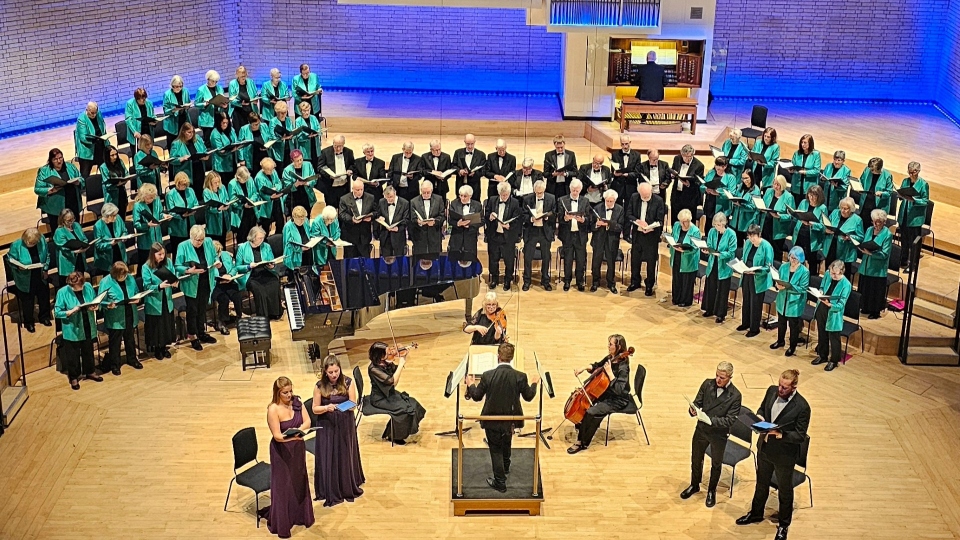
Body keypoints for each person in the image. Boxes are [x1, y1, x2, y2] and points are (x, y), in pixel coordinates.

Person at [737, 369, 811, 540]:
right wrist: (760, 417)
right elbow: (763, 408)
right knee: (761, 483)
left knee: (784, 491)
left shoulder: (802, 407)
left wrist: (781, 434)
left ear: (794, 387)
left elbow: (800, 435)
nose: (780, 389)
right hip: (765, 447)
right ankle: (756, 513)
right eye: (779, 385)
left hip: (784, 455)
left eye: (785, 388)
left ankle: (784, 525)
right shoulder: (771, 390)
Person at [464, 342, 538, 492]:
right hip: (510, 420)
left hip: (491, 420)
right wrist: (534, 383)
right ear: (512, 358)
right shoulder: (520, 376)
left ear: (498, 357)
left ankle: (500, 482)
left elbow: (477, 397)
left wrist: (471, 384)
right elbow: (529, 396)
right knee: (507, 441)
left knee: (496, 449)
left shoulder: (487, 375)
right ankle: (505, 467)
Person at [681, 361, 742, 508]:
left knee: (716, 464)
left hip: (718, 434)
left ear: (730, 377)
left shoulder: (735, 395)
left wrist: (710, 420)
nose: (718, 380)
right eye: (717, 375)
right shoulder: (707, 384)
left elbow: (729, 420)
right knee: (696, 459)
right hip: (701, 429)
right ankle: (695, 484)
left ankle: (711, 491)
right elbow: (697, 402)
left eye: (722, 377)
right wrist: (693, 410)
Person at [312, 355, 364, 507]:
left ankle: (347, 484)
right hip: (327, 425)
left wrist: (342, 407)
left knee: (344, 453)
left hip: (344, 424)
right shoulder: (319, 386)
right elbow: (315, 408)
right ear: (325, 372)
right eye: (330, 372)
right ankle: (330, 486)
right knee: (329, 455)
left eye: (336, 371)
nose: (334, 375)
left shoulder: (348, 382)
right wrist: (326, 408)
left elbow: (354, 404)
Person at [266, 376, 315, 538]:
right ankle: (283, 522)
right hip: (282, 452)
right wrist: (293, 437)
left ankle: (300, 516)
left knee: (298, 482)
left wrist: (300, 429)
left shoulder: (297, 402)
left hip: (297, 449)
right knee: (283, 486)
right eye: (285, 393)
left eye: (290, 391)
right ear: (278, 393)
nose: (289, 395)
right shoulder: (273, 409)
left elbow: (307, 421)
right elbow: (277, 436)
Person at [567, 334, 632, 454]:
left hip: (618, 399)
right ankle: (582, 426)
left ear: (618, 347)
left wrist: (610, 373)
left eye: (611, 344)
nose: (608, 346)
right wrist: (584, 367)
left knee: (591, 412)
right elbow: (598, 366)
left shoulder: (623, 367)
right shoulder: (611, 357)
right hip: (607, 393)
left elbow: (619, 389)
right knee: (587, 405)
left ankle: (581, 442)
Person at [367, 342, 427, 445]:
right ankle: (395, 437)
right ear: (380, 356)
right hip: (380, 399)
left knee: (413, 403)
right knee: (404, 410)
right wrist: (401, 363)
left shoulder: (384, 362)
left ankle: (392, 432)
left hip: (389, 394)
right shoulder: (373, 369)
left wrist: (402, 356)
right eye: (387, 352)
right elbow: (392, 382)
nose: (391, 352)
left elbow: (394, 371)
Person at [55, 271, 102, 390]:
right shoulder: (62, 292)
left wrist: (96, 306)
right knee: (73, 354)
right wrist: (69, 312)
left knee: (88, 349)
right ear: (71, 284)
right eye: (78, 287)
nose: (81, 288)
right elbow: (57, 312)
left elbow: (94, 300)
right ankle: (74, 377)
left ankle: (90, 371)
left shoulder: (88, 286)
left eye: (82, 285)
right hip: (73, 328)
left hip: (87, 323)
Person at [176, 225, 220, 351]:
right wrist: (188, 270)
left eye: (202, 239)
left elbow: (214, 256)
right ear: (191, 237)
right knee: (192, 310)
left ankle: (201, 332)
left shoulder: (208, 241)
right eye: (197, 240)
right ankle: (192, 336)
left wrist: (217, 262)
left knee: (202, 308)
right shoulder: (183, 246)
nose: (200, 242)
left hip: (206, 279)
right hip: (191, 282)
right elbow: (177, 265)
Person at [98, 262, 143, 375]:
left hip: (129, 312)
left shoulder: (130, 278)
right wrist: (108, 304)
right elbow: (100, 301)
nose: (124, 277)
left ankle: (132, 359)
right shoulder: (105, 282)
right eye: (122, 275)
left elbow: (137, 292)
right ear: (115, 274)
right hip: (115, 316)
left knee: (130, 338)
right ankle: (115, 364)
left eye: (125, 275)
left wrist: (138, 299)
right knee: (115, 342)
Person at [7, 228, 52, 333]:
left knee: (44, 297)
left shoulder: (42, 241)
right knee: (28, 301)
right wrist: (18, 267)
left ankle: (44, 317)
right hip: (25, 278)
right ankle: (29, 322)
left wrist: (45, 270)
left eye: (34, 242)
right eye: (29, 242)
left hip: (40, 275)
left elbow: (47, 256)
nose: (31, 244)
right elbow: (10, 260)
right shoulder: (16, 245)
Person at [812, 260, 853, 372]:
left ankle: (834, 360)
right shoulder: (827, 274)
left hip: (833, 312)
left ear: (842, 272)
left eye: (835, 274)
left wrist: (830, 304)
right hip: (822, 308)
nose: (832, 275)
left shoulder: (846, 285)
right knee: (822, 333)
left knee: (834, 338)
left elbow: (841, 304)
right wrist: (820, 292)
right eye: (831, 273)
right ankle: (822, 355)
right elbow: (822, 286)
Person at [236, 226, 284, 320]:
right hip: (251, 275)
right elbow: (237, 267)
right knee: (259, 289)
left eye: (263, 238)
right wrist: (248, 266)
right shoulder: (242, 248)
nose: (262, 240)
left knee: (274, 283)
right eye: (259, 238)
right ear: (253, 238)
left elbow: (271, 260)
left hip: (265, 271)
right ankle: (263, 316)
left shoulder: (266, 246)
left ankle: (275, 313)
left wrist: (272, 266)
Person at [626, 182, 665, 295]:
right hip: (638, 234)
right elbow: (629, 214)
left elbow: (660, 220)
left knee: (651, 261)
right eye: (643, 196)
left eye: (647, 196)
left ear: (651, 193)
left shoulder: (658, 200)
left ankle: (649, 285)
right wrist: (637, 221)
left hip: (651, 236)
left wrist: (650, 227)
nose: (645, 198)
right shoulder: (634, 197)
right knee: (635, 259)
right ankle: (635, 281)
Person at [771, 247, 810, 356]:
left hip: (794, 303)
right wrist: (777, 285)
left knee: (793, 326)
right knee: (781, 322)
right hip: (782, 299)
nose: (792, 260)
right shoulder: (784, 266)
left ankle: (792, 346)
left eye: (795, 258)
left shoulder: (804, 272)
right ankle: (780, 341)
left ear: (800, 259)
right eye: (791, 257)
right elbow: (778, 280)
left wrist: (788, 287)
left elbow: (803, 288)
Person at [141, 243, 177, 360]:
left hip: (167, 298)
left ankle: (164, 347)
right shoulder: (146, 267)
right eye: (159, 254)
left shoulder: (168, 263)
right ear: (153, 254)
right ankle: (157, 349)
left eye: (163, 253)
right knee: (157, 326)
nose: (162, 256)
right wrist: (159, 286)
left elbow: (173, 275)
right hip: (154, 301)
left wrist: (175, 281)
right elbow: (146, 286)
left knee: (166, 323)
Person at [484, 181, 522, 291]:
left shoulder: (514, 203)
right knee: (493, 259)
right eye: (502, 195)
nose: (504, 197)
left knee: (509, 260)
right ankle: (494, 279)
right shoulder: (492, 200)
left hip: (508, 237)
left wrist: (509, 226)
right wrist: (490, 217)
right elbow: (486, 215)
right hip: (494, 235)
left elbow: (518, 219)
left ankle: (507, 280)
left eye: (506, 195)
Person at [701, 212, 737, 323]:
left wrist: (720, 254)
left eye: (718, 224)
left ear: (723, 223)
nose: (716, 227)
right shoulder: (712, 232)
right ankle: (709, 309)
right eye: (715, 224)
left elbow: (732, 252)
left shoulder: (731, 234)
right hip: (713, 264)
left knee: (722, 290)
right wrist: (706, 250)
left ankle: (720, 314)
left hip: (724, 266)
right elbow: (710, 245)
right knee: (710, 286)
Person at [738, 225, 774, 338]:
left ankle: (754, 328)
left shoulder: (767, 247)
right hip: (747, 275)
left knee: (755, 304)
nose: (751, 238)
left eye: (753, 236)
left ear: (759, 235)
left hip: (758, 278)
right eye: (749, 236)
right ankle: (745, 323)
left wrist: (756, 271)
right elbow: (745, 258)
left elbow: (768, 267)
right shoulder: (748, 243)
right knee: (747, 300)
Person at [520, 180, 556, 291]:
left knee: (546, 256)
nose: (539, 194)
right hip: (532, 231)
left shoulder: (551, 198)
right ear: (534, 190)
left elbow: (555, 213)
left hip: (545, 231)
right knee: (528, 257)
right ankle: (527, 280)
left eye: (541, 192)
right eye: (537, 192)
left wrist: (547, 217)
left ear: (544, 190)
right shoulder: (527, 199)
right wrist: (531, 219)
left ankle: (545, 280)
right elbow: (523, 215)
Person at [35, 148, 84, 231]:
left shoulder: (70, 166)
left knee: (75, 228)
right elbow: (37, 189)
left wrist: (78, 182)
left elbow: (81, 179)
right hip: (56, 207)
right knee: (58, 231)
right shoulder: (44, 171)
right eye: (55, 159)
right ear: (51, 160)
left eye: (60, 158)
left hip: (73, 202)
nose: (59, 161)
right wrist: (51, 190)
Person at [857, 209, 893, 319]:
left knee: (874, 290)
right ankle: (865, 307)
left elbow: (885, 254)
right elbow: (865, 242)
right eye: (874, 221)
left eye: (878, 222)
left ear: (884, 222)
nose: (875, 224)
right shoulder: (869, 230)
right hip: (866, 266)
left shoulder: (887, 234)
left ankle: (875, 311)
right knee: (865, 287)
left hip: (878, 268)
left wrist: (871, 254)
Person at [557, 179, 591, 291]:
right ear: (570, 189)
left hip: (580, 235)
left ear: (580, 190)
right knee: (568, 259)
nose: (575, 192)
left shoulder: (585, 201)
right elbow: (559, 218)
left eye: (577, 190)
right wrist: (564, 218)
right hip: (567, 234)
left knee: (581, 260)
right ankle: (567, 280)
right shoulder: (562, 200)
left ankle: (580, 281)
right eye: (573, 190)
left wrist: (583, 220)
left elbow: (589, 218)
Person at [896, 161, 929, 269]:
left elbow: (925, 201)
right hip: (904, 215)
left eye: (913, 172)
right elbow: (902, 195)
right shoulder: (905, 181)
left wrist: (914, 200)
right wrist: (899, 195)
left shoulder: (923, 184)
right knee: (904, 240)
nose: (911, 174)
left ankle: (913, 264)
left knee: (913, 243)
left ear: (918, 171)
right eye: (909, 171)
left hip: (915, 218)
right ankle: (903, 260)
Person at [590, 190, 623, 293]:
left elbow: (620, 227)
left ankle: (611, 283)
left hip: (612, 240)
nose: (609, 203)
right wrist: (597, 225)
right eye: (607, 201)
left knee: (611, 262)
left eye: (611, 201)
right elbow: (590, 226)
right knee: (596, 261)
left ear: (615, 200)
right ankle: (595, 282)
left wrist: (609, 225)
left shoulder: (620, 209)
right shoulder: (597, 208)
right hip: (598, 239)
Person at [790, 185, 827, 274]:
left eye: (814, 195)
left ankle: (811, 281)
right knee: (796, 258)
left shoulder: (822, 208)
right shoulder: (804, 202)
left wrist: (812, 224)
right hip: (799, 234)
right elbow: (798, 214)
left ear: (819, 196)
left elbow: (823, 226)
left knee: (811, 261)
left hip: (812, 238)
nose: (812, 198)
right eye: (810, 195)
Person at [822, 197, 863, 278]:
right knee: (829, 272)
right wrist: (826, 230)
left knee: (841, 276)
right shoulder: (835, 213)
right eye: (841, 208)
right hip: (831, 247)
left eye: (845, 209)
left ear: (851, 209)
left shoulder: (857, 220)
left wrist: (850, 237)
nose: (843, 210)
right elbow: (825, 225)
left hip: (845, 252)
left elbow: (860, 237)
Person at [759, 175, 795, 263]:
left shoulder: (789, 197)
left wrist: (780, 216)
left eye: (778, 185)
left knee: (776, 252)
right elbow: (763, 204)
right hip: (766, 225)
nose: (775, 186)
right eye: (774, 184)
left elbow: (792, 216)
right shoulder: (768, 191)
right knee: (764, 249)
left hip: (778, 230)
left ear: (783, 185)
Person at [665, 145, 705, 225]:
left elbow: (699, 183)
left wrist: (689, 184)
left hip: (690, 198)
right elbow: (674, 170)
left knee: (688, 222)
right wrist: (672, 175)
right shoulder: (677, 159)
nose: (688, 159)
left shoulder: (699, 165)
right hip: (677, 195)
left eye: (690, 156)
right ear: (681, 154)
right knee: (675, 220)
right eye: (685, 156)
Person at [669, 209, 701, 307]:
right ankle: (676, 298)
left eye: (685, 222)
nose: (683, 224)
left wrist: (685, 251)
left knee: (686, 281)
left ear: (689, 220)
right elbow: (673, 237)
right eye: (681, 221)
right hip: (676, 256)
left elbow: (695, 247)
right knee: (677, 278)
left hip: (689, 259)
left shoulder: (695, 231)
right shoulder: (676, 225)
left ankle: (685, 300)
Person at [211, 240, 243, 335]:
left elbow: (234, 268)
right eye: (216, 252)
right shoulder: (209, 260)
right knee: (223, 299)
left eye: (219, 251)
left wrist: (230, 275)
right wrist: (219, 280)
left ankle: (239, 317)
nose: (219, 254)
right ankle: (222, 322)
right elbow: (208, 275)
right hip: (216, 285)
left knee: (236, 296)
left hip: (229, 281)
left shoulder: (225, 255)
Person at [169, 122, 209, 197]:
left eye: (193, 132)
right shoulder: (176, 143)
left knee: (199, 192)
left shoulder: (198, 139)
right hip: (186, 171)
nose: (192, 134)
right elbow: (171, 160)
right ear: (183, 132)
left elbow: (205, 150)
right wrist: (182, 158)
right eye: (189, 132)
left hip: (199, 169)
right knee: (189, 193)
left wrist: (206, 156)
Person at [338, 179, 376, 258]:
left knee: (365, 262)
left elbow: (376, 212)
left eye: (361, 189)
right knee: (350, 261)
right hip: (350, 235)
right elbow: (342, 214)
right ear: (353, 189)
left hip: (364, 236)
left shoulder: (370, 197)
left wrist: (371, 217)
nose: (360, 192)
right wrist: (351, 219)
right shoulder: (344, 199)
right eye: (357, 190)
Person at [165, 172, 200, 256]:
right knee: (179, 253)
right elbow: (171, 212)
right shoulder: (170, 194)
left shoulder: (190, 190)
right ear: (177, 183)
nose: (184, 186)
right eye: (182, 184)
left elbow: (196, 203)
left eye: (185, 184)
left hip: (190, 224)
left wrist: (194, 210)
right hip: (177, 229)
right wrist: (181, 215)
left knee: (191, 252)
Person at [701, 156, 737, 235]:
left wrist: (718, 193)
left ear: (725, 166)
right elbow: (702, 185)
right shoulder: (711, 173)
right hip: (710, 202)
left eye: (721, 166)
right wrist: (706, 189)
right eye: (716, 165)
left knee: (720, 228)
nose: (718, 167)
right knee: (709, 226)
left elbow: (732, 193)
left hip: (722, 206)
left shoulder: (730, 177)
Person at [132, 183, 166, 265]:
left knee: (159, 264)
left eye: (153, 197)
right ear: (143, 195)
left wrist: (164, 216)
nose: (152, 199)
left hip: (157, 238)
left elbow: (160, 213)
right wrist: (147, 225)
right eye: (149, 197)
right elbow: (136, 224)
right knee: (145, 264)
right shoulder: (138, 205)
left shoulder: (156, 200)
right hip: (146, 241)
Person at [409, 180, 445, 256]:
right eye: (423, 192)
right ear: (420, 190)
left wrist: (435, 221)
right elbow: (412, 219)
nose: (425, 194)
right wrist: (418, 222)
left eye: (428, 192)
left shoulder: (439, 199)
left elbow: (442, 216)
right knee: (419, 258)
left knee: (435, 257)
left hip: (434, 234)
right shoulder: (413, 201)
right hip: (420, 235)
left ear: (432, 190)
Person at [447, 185, 482, 264]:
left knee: (470, 260)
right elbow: (449, 219)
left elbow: (481, 221)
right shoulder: (454, 203)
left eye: (465, 196)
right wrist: (457, 223)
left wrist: (470, 225)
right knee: (454, 261)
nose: (462, 198)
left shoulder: (477, 205)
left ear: (470, 196)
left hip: (470, 236)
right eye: (461, 195)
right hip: (456, 236)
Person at [92, 203, 128, 276]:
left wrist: (124, 237)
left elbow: (124, 230)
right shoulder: (98, 226)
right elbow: (98, 245)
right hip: (107, 257)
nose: (115, 218)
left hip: (119, 252)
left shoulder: (118, 218)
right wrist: (110, 244)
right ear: (107, 216)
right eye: (113, 216)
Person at [282, 149, 318, 218]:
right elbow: (287, 186)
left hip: (306, 195)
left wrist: (307, 183)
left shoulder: (308, 165)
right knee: (296, 217)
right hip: (294, 197)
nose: (300, 162)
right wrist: (296, 184)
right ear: (292, 161)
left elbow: (314, 179)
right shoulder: (287, 170)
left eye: (301, 159)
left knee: (306, 216)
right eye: (297, 161)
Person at [196, 70, 228, 148]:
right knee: (209, 141)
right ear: (208, 79)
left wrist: (224, 104)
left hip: (218, 115)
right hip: (207, 119)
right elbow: (196, 104)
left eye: (216, 81)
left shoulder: (219, 88)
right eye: (213, 81)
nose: (214, 83)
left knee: (220, 138)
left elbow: (222, 99)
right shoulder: (201, 90)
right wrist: (204, 103)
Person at [229, 166, 260, 245]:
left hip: (251, 210)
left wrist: (251, 200)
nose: (246, 180)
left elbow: (255, 193)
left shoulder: (250, 179)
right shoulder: (232, 184)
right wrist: (243, 206)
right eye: (244, 179)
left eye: (247, 179)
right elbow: (232, 201)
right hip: (240, 213)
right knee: (242, 235)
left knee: (252, 233)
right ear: (238, 177)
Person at [52, 209, 88, 278]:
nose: (71, 222)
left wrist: (85, 246)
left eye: (72, 219)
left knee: (80, 281)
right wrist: (74, 252)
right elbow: (63, 247)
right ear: (62, 220)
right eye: (68, 221)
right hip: (68, 261)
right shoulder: (59, 231)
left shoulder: (76, 225)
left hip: (80, 258)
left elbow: (84, 238)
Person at [376, 185, 410, 258]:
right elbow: (377, 215)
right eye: (387, 197)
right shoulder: (381, 202)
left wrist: (398, 228)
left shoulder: (404, 203)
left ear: (395, 193)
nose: (389, 199)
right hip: (385, 237)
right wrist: (379, 218)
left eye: (391, 197)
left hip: (398, 237)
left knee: (399, 261)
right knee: (386, 262)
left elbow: (406, 220)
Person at [729, 169, 761, 243]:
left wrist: (741, 205)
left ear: (751, 177)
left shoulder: (756, 190)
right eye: (743, 178)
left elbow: (754, 207)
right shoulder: (741, 186)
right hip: (736, 219)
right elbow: (736, 197)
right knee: (737, 243)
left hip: (747, 221)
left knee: (747, 243)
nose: (744, 180)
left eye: (746, 178)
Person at [75, 102, 106, 176]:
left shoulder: (98, 113)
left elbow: (103, 127)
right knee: (85, 175)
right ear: (87, 110)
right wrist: (95, 140)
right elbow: (83, 137)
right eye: (92, 113)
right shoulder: (81, 119)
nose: (94, 115)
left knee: (105, 171)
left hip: (99, 147)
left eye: (95, 112)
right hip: (87, 150)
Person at [255, 157, 285, 235]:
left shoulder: (273, 171)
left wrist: (277, 188)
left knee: (280, 222)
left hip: (277, 200)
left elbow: (278, 182)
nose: (271, 171)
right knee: (266, 226)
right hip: (266, 204)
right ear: (263, 169)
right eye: (269, 170)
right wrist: (270, 197)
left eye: (272, 169)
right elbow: (261, 192)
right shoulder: (259, 177)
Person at [99, 145, 131, 218]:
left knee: (122, 216)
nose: (115, 157)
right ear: (107, 156)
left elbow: (126, 173)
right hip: (112, 196)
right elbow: (106, 183)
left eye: (116, 154)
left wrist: (124, 180)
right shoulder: (103, 167)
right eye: (112, 155)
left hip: (122, 193)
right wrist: (117, 184)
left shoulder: (120, 162)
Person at [788, 134, 821, 204]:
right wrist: (790, 170)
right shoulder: (797, 153)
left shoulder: (816, 154)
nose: (803, 144)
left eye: (805, 143)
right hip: (796, 185)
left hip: (808, 187)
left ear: (810, 143)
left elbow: (816, 171)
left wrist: (804, 172)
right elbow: (792, 165)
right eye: (802, 142)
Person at [453, 134, 486, 201]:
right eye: (468, 144)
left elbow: (483, 171)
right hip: (460, 184)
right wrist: (459, 171)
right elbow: (453, 166)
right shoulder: (458, 153)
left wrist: (475, 174)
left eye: (472, 144)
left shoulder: (481, 155)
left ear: (475, 142)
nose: (470, 146)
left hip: (474, 186)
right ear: (464, 142)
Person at [203, 171, 233, 246]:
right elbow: (208, 207)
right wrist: (218, 209)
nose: (217, 184)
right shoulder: (206, 192)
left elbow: (226, 199)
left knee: (223, 243)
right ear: (210, 182)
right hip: (213, 221)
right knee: (214, 244)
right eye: (215, 182)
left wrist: (227, 205)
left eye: (218, 182)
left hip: (223, 218)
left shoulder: (222, 188)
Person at [283, 206, 317, 272]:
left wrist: (313, 239)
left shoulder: (305, 221)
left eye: (303, 218)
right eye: (300, 219)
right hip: (296, 255)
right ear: (294, 217)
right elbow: (287, 245)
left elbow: (310, 233)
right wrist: (300, 249)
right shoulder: (288, 226)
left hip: (308, 251)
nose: (302, 221)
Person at [610, 134, 641, 203]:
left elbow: (637, 173)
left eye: (626, 144)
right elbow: (612, 171)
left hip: (630, 185)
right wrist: (614, 174)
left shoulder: (637, 155)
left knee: (629, 207)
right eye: (622, 144)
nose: (625, 146)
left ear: (630, 142)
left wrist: (627, 175)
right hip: (618, 185)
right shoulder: (615, 155)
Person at [237, 112, 269, 178]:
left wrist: (267, 146)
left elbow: (269, 138)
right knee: (255, 175)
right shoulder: (244, 129)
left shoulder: (264, 126)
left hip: (264, 154)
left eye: (257, 124)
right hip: (251, 156)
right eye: (253, 124)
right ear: (249, 122)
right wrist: (241, 159)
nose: (255, 126)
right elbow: (240, 146)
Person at [209, 112, 237, 184]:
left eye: (227, 123)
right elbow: (220, 150)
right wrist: (231, 150)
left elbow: (236, 141)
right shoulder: (215, 134)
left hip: (232, 161)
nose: (225, 125)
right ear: (219, 122)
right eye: (223, 123)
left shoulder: (231, 130)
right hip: (221, 165)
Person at [294, 102, 323, 171]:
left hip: (315, 147)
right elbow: (297, 137)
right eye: (304, 111)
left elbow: (319, 129)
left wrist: (317, 133)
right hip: (305, 149)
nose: (307, 113)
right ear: (300, 111)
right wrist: (307, 136)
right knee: (307, 169)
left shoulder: (313, 118)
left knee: (316, 167)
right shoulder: (298, 121)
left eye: (308, 110)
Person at [228, 65, 259, 130]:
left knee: (252, 128)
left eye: (245, 76)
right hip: (238, 110)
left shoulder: (250, 82)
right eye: (242, 76)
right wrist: (240, 103)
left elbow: (255, 94)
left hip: (250, 109)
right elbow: (231, 99)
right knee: (240, 129)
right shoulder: (232, 84)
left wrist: (255, 99)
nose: (243, 78)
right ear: (237, 75)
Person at [162, 75, 191, 143]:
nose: (179, 88)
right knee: (173, 144)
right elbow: (165, 110)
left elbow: (188, 102)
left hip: (183, 119)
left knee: (185, 143)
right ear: (172, 86)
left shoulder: (185, 91)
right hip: (172, 123)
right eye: (177, 86)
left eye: (181, 86)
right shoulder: (167, 94)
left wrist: (187, 106)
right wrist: (173, 110)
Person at [267, 102, 296, 170]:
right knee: (280, 169)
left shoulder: (288, 120)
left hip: (289, 148)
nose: (283, 114)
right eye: (281, 113)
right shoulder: (273, 121)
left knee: (289, 169)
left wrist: (292, 135)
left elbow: (292, 131)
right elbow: (272, 137)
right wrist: (282, 138)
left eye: (285, 112)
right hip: (279, 150)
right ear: (277, 112)